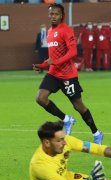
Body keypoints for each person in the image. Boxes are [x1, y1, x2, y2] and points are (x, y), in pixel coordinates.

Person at [32, 3, 104, 144]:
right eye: (51, 14)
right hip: (53, 73)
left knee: (79, 106)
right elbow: (52, 57)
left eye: (56, 14)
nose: (53, 16)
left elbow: (73, 52)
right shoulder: (50, 32)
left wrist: (56, 61)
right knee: (40, 98)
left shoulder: (66, 30)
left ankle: (96, 133)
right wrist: (42, 65)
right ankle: (66, 119)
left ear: (62, 16)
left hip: (67, 75)